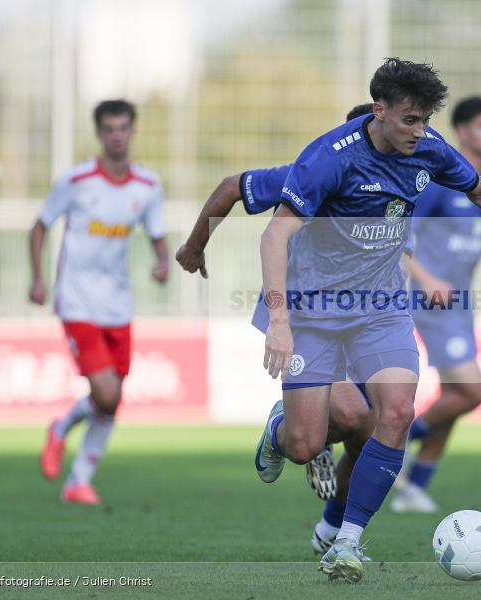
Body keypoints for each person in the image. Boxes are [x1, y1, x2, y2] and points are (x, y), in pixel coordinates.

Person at [255, 58, 481, 582]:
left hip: (381, 308)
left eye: (425, 120)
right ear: (378, 110)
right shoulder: (328, 158)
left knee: (395, 413)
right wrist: (280, 322)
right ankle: (278, 430)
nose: (419, 132)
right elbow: (275, 235)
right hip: (316, 311)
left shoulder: (428, 148)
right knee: (307, 445)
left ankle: (347, 542)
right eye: (409, 120)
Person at [176, 103, 377, 556]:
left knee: (371, 431)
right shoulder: (316, 172)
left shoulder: (404, 180)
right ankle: (282, 429)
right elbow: (232, 187)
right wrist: (194, 245)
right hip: (304, 313)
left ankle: (336, 534)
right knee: (334, 426)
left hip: (361, 316)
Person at [391, 96, 481, 513]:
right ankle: (388, 444)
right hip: (429, 301)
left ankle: (413, 488)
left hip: (461, 308)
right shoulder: (438, 184)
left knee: (454, 397)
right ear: (463, 132)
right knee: (473, 390)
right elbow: (399, 239)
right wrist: (429, 279)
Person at [32, 99, 169, 504]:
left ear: (132, 131)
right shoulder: (76, 180)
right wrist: (38, 278)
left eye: (123, 127)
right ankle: (61, 432)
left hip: (118, 304)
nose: (116, 135)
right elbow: (40, 226)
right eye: (109, 128)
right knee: (106, 394)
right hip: (76, 301)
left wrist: (163, 262)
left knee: (111, 402)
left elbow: (157, 235)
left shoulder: (147, 186)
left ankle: (78, 479)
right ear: (99, 133)